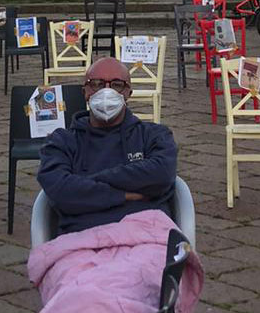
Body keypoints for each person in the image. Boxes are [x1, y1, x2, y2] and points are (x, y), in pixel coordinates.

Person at [37, 57, 178, 235]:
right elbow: (59, 188)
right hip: (81, 240)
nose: (106, 91)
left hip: (146, 236)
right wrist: (124, 195)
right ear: (85, 91)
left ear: (128, 93)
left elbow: (162, 174)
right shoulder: (62, 141)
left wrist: (86, 182)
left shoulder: (154, 135)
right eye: (97, 83)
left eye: (117, 84)